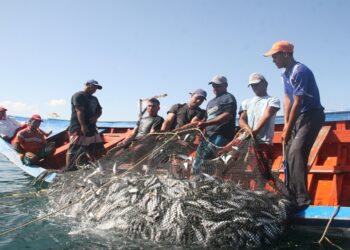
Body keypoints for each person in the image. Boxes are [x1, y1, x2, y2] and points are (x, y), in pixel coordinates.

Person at [264, 40, 325, 210]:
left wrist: (290, 127)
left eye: (275, 56)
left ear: (285, 54)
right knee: (289, 153)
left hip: (312, 115)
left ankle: (302, 200)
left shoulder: (300, 71)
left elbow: (298, 102)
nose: (273, 60)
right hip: (298, 117)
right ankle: (290, 195)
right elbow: (287, 100)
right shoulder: (285, 75)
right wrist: (285, 125)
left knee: (297, 151)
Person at [192, 74, 237, 174]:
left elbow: (227, 115)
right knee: (197, 161)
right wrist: (201, 133)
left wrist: (206, 123)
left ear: (226, 85)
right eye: (213, 85)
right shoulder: (210, 102)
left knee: (209, 161)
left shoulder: (228, 97)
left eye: (218, 85)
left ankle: (208, 183)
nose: (215, 88)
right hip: (207, 137)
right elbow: (205, 119)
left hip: (221, 136)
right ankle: (196, 183)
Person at [66, 79, 105, 170]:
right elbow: (79, 111)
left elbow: (99, 110)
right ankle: (69, 170)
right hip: (78, 127)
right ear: (87, 84)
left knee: (97, 148)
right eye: (94, 86)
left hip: (91, 127)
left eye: (96, 88)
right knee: (74, 149)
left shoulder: (94, 99)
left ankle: (95, 166)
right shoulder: (78, 96)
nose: (95, 89)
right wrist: (83, 125)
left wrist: (95, 117)